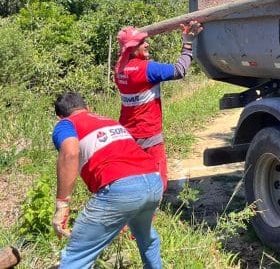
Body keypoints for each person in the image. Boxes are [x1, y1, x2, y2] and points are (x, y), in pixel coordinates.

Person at [51, 92, 163, 268]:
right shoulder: (107, 121)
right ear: (88, 108)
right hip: (153, 181)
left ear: (59, 117)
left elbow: (70, 153)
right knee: (147, 238)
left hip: (122, 187)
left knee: (77, 255)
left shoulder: (66, 124)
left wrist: (62, 205)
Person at [114, 21, 203, 189]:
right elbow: (179, 70)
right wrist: (188, 43)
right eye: (141, 43)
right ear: (131, 48)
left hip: (128, 133)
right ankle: (152, 213)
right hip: (148, 133)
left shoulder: (119, 68)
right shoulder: (147, 69)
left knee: (135, 175)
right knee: (157, 178)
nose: (147, 44)